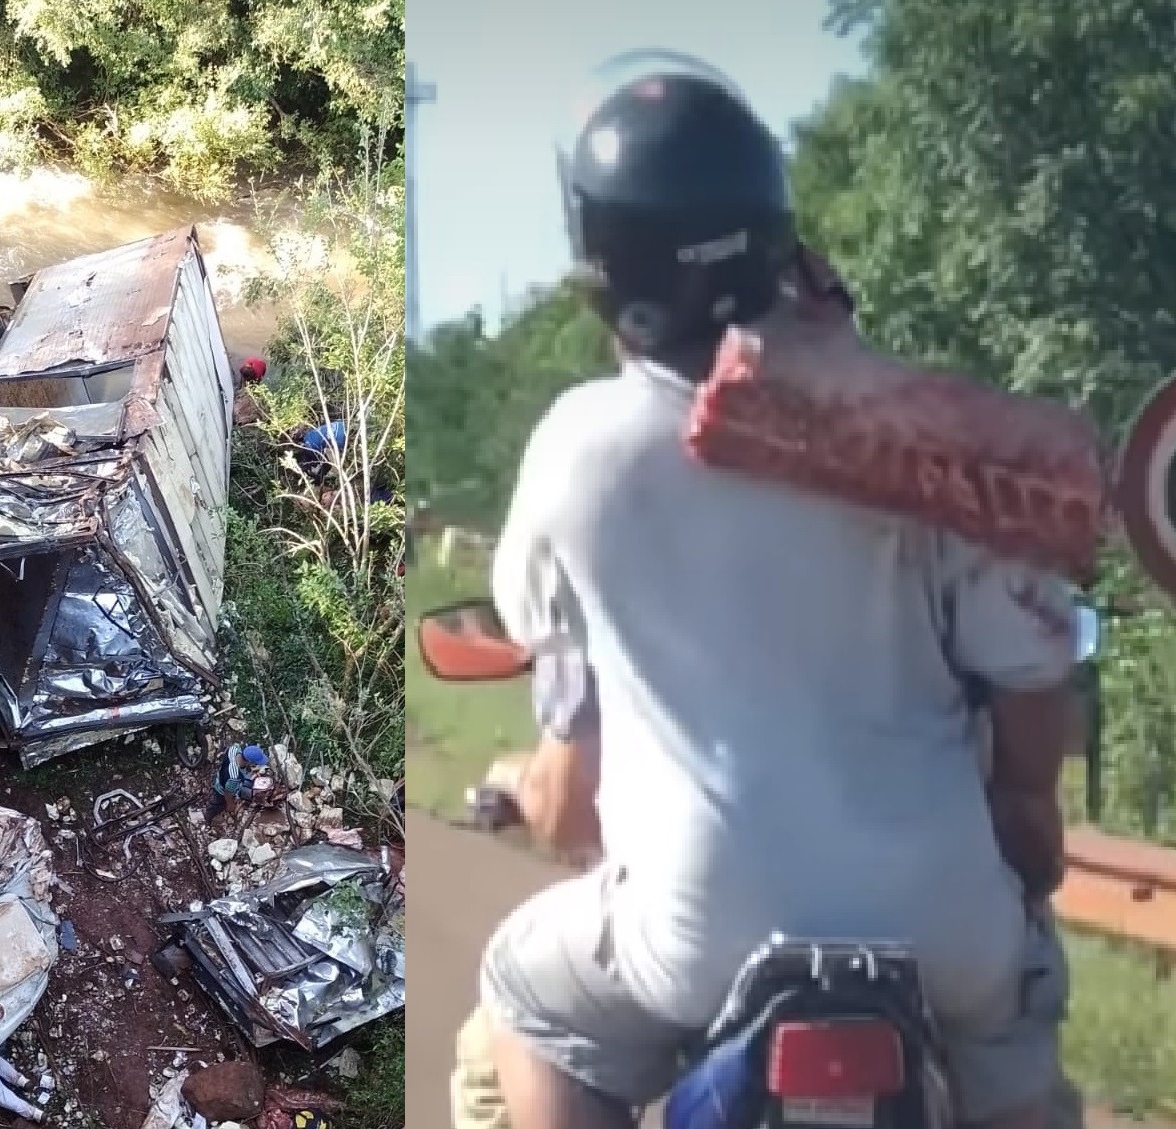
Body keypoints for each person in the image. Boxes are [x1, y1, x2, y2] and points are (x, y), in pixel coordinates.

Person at [464, 57, 1076, 1129]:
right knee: (1017, 1065)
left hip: (696, 936)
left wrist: (524, 777)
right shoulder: (919, 440)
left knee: (521, 997)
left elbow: (569, 749)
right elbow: (1032, 679)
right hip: (947, 930)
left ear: (603, 269)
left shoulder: (578, 453)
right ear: (775, 236)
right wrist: (1025, 811)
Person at [201, 743, 267, 824]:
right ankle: (208, 818)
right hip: (221, 789)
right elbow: (227, 793)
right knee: (217, 803)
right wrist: (230, 805)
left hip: (222, 775)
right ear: (250, 762)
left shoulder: (235, 749)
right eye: (256, 763)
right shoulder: (234, 777)